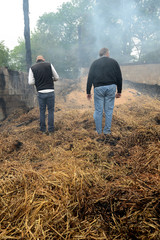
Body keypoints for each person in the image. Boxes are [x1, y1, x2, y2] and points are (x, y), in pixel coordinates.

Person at [86, 47, 122, 139]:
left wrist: (88, 91)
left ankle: (98, 132)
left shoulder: (94, 63)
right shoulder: (114, 62)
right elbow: (119, 77)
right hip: (111, 88)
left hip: (98, 88)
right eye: (109, 52)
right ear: (107, 53)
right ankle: (107, 131)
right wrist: (119, 91)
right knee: (108, 110)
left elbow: (90, 77)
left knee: (98, 111)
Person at [28, 55, 59, 135]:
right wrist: (52, 80)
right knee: (51, 111)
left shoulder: (32, 68)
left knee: (42, 111)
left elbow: (30, 82)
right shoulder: (49, 65)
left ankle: (43, 130)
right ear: (43, 60)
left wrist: (38, 82)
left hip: (41, 92)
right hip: (50, 91)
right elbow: (56, 77)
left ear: (36, 61)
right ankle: (51, 130)